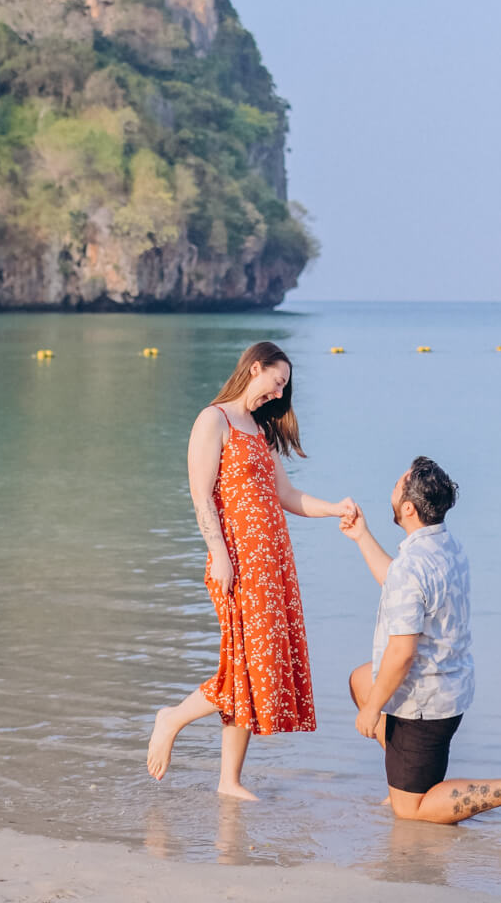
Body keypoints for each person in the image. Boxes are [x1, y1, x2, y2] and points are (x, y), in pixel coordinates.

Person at [146, 340, 356, 799]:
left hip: (273, 563)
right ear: (255, 368)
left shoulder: (259, 431)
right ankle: (173, 718)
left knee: (249, 670)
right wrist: (218, 553)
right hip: (236, 562)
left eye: (284, 389)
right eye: (276, 382)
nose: (278, 395)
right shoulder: (213, 420)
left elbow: (288, 496)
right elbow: (202, 495)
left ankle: (228, 781)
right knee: (244, 667)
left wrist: (333, 508)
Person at [342, 456, 501, 827]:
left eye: (396, 485)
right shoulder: (445, 546)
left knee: (410, 812)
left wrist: (373, 710)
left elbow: (402, 653)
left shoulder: (411, 567)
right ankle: (405, 778)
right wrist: (361, 536)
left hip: (425, 705)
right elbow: (398, 583)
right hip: (451, 684)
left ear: (407, 508)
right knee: (361, 680)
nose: (390, 489)